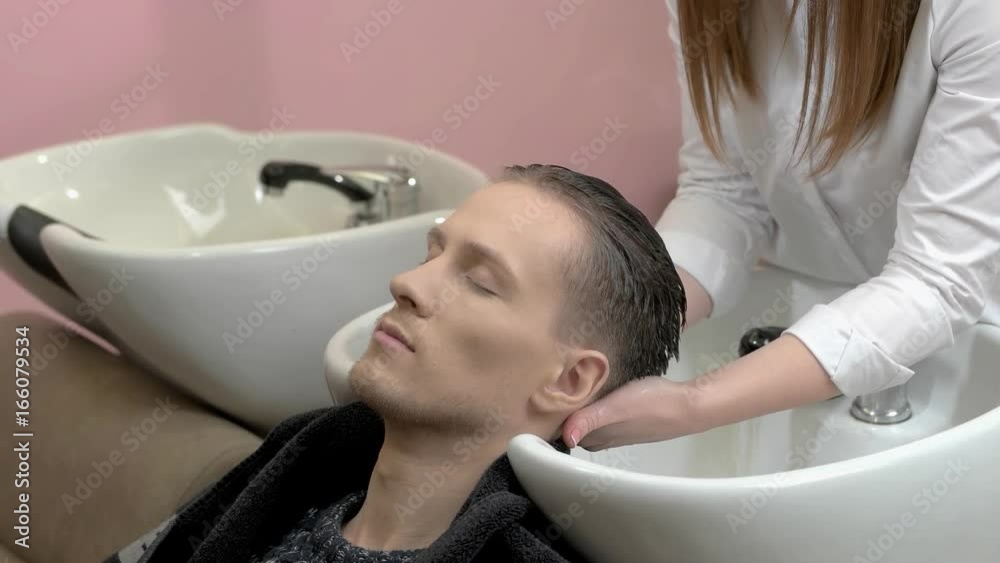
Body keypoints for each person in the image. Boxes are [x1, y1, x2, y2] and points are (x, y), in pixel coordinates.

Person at [104, 164, 686, 563]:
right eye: (432, 255)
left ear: (569, 380)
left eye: (480, 283)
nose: (407, 282)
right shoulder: (288, 482)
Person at [563, 0, 1000, 450]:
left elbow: (938, 278)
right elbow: (724, 193)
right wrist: (617, 334)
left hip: (971, 359)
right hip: (800, 347)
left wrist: (693, 404)